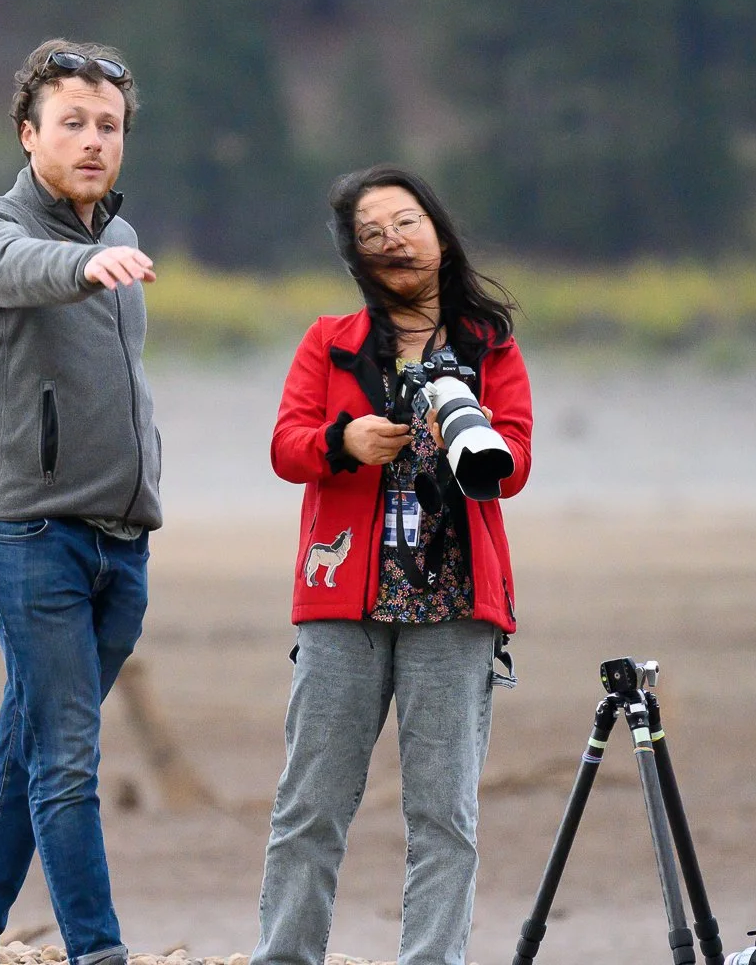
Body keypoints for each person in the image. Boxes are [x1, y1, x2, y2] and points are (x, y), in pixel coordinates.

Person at [251, 164, 533, 965]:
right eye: (372, 234)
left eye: (406, 222)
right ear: (356, 257)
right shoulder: (331, 342)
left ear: (439, 232)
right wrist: (343, 442)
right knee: (309, 806)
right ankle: (284, 957)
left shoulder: (491, 347)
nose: (394, 243)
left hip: (456, 603)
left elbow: (514, 464)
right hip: (343, 602)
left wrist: (465, 434)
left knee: (446, 815)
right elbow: (284, 448)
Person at [0, 38, 161, 965]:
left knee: (28, 750)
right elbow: (10, 269)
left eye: (107, 126)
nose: (92, 141)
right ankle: (97, 952)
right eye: (72, 123)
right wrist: (77, 269)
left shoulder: (120, 238)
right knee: (68, 761)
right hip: (29, 536)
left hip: (123, 542)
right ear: (30, 133)